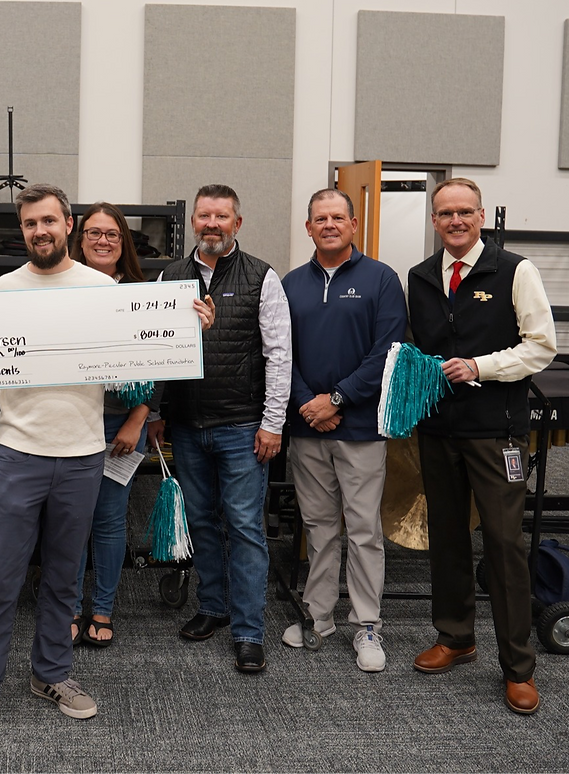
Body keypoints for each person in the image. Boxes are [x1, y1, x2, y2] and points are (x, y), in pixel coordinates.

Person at [0, 183, 115, 745]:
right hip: (20, 452)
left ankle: (52, 675)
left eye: (48, 221)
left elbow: (135, 360)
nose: (39, 231)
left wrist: (188, 330)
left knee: (64, 577)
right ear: (23, 231)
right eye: (29, 224)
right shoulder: (4, 290)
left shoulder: (102, 289)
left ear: (68, 224)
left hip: (83, 453)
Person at [407, 177, 556, 714]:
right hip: (438, 430)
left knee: (504, 545)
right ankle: (455, 638)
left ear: (481, 215)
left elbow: (541, 346)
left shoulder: (516, 270)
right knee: (446, 538)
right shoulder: (420, 276)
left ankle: (518, 667)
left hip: (496, 433)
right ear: (434, 220)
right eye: (445, 213)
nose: (456, 221)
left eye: (465, 212)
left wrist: (481, 367)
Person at [148, 183, 291, 674]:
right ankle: (213, 606)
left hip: (242, 427)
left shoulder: (262, 277)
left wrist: (273, 423)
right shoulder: (170, 276)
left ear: (237, 223)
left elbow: (280, 355)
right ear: (193, 222)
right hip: (188, 427)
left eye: (221, 216)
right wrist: (155, 412)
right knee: (202, 521)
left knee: (246, 527)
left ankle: (249, 631)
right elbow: (158, 351)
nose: (212, 224)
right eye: (204, 216)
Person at [280, 188, 407, 672]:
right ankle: (318, 615)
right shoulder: (291, 284)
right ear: (308, 228)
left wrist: (336, 399)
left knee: (364, 529)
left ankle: (367, 625)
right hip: (308, 427)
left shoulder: (381, 279)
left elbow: (387, 351)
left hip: (360, 429)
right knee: (318, 527)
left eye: (338, 217)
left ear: (354, 225)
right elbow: (281, 353)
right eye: (320, 218)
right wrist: (307, 404)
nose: (329, 225)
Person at [68, 202, 149, 647]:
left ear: (123, 243)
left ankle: (102, 609)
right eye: (94, 233)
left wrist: (138, 418)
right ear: (79, 241)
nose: (102, 240)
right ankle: (67, 607)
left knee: (110, 519)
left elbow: (162, 362)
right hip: (69, 422)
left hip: (122, 424)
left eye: (112, 234)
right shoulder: (60, 289)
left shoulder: (143, 295)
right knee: (69, 520)